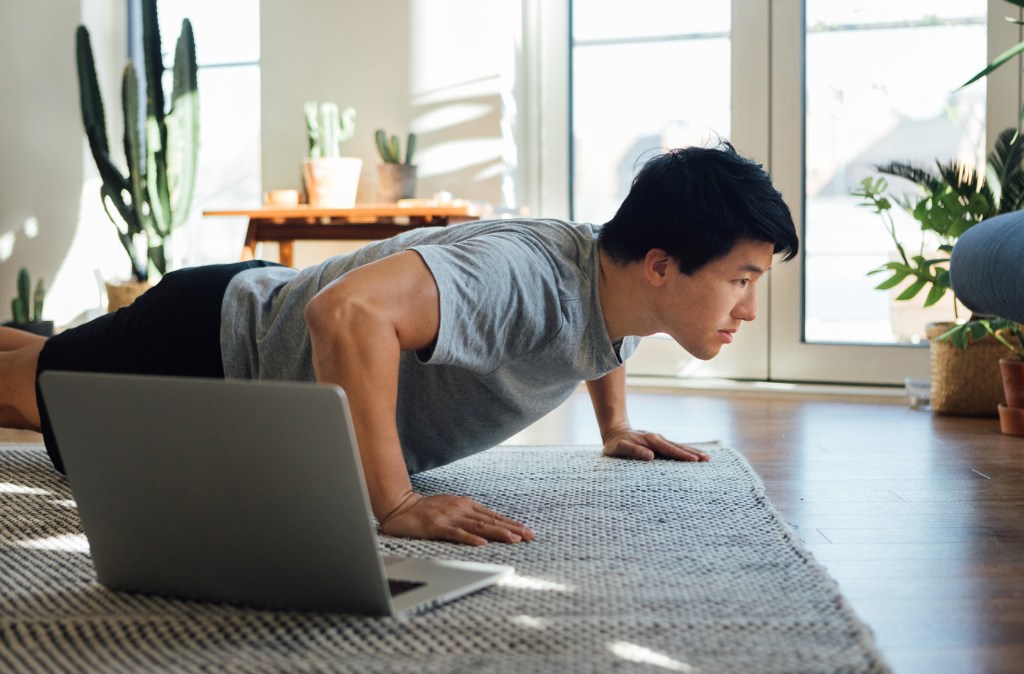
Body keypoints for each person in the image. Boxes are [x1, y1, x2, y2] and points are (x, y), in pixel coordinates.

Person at [0, 140, 798, 547]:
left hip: (229, 324)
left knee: (31, 360)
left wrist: (614, 426)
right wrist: (394, 501)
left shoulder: (615, 279)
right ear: (661, 265)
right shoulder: (523, 278)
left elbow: (607, 329)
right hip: (214, 351)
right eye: (741, 279)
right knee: (21, 394)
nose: (750, 308)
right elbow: (344, 317)